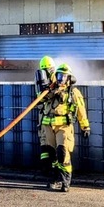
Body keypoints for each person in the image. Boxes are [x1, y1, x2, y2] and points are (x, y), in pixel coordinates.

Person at [41, 63, 90, 192]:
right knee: (51, 155)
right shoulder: (49, 91)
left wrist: (85, 126)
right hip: (48, 127)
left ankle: (65, 181)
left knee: (62, 153)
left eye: (63, 76)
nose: (60, 79)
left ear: (69, 78)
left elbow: (81, 109)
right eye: (59, 76)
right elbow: (40, 102)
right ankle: (54, 179)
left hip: (64, 127)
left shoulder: (73, 92)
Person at [35, 56, 57, 181]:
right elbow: (43, 97)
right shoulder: (41, 79)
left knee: (45, 139)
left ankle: (47, 167)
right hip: (46, 112)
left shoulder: (42, 77)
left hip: (46, 113)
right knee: (47, 140)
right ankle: (48, 167)